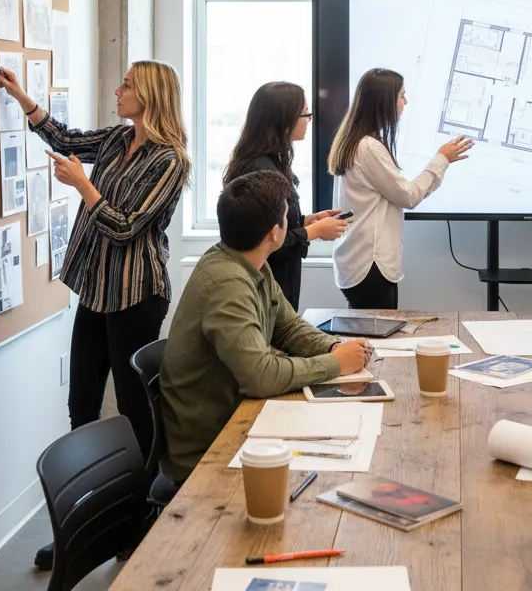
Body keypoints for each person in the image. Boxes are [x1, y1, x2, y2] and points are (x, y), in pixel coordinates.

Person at [0, 60, 189, 570]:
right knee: (82, 405)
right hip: (96, 290)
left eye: (126, 84)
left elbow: (126, 228)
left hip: (136, 294)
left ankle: (136, 518)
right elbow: (62, 136)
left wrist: (84, 186)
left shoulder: (170, 161)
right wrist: (21, 96)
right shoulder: (113, 140)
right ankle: (84, 525)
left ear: (148, 96)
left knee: (132, 410)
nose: (117, 89)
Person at [158, 170, 372, 482]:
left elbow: (287, 327)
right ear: (274, 232)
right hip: (209, 451)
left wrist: (332, 347)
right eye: (288, 215)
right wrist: (334, 364)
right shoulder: (229, 282)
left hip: (235, 420)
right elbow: (260, 377)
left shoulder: (246, 260)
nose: (295, 221)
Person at [327, 67, 472, 309]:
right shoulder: (369, 148)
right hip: (370, 265)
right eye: (401, 96)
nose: (406, 102)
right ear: (385, 102)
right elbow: (408, 196)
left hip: (357, 260)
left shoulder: (354, 141)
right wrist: (441, 159)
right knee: (378, 341)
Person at [222, 81, 348, 310]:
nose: (309, 120)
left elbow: (271, 225)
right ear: (284, 119)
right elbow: (266, 242)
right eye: (305, 114)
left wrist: (305, 221)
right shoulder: (261, 169)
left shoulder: (269, 162)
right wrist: (314, 231)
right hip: (264, 291)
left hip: (277, 286)